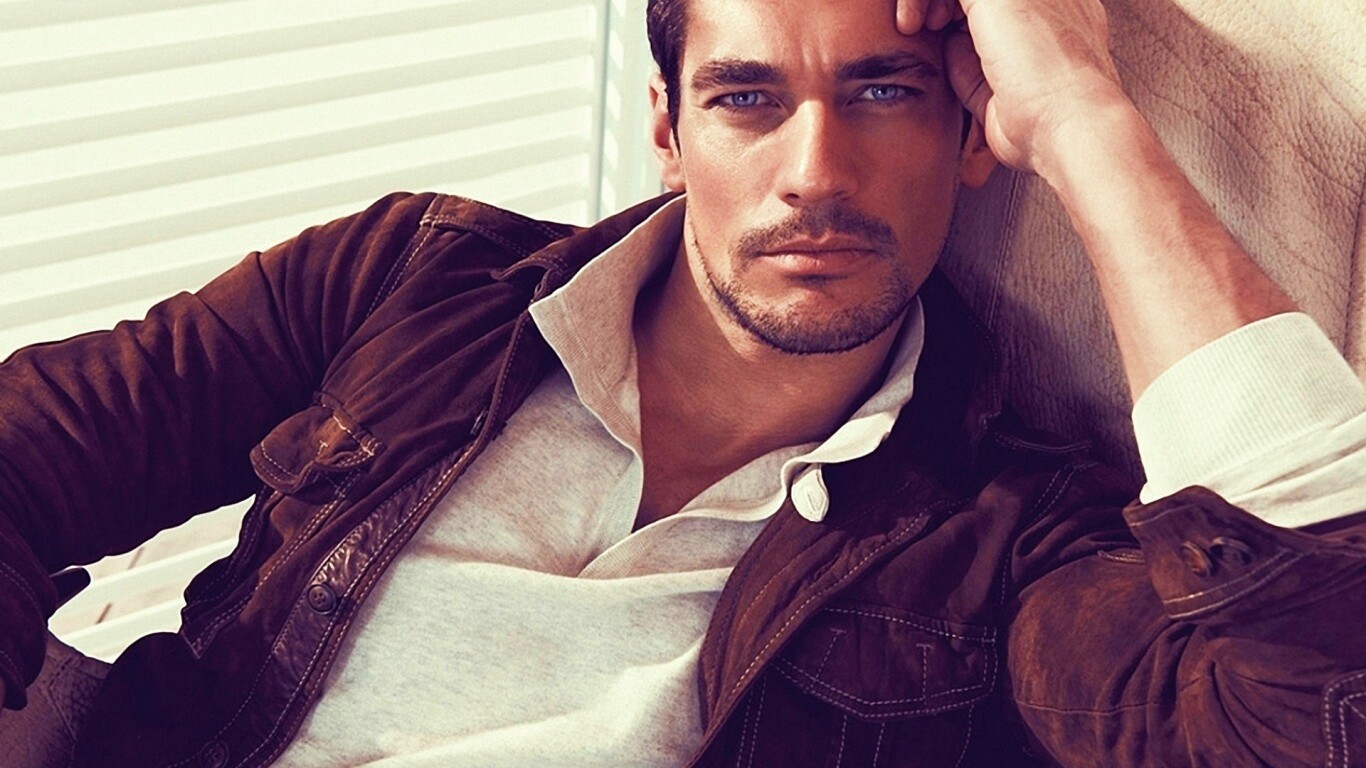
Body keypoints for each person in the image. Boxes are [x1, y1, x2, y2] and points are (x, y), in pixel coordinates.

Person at [1, 0, 1363, 765]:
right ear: (666, 128)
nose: (814, 173)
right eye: (746, 98)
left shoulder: (1012, 541)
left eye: (884, 93)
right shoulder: (407, 279)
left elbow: (1307, 715)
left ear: (972, 136)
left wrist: (1085, 121)